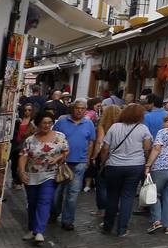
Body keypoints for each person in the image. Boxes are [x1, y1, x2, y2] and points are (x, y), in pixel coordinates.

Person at [99, 103, 153, 237]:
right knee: (128, 197)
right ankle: (122, 229)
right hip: (135, 166)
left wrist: (103, 162)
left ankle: (108, 225)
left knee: (112, 195)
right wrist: (147, 162)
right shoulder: (143, 129)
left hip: (114, 165)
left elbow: (105, 148)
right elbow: (147, 148)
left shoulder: (114, 127)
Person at [17, 114, 69, 244]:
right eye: (44, 122)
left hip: (50, 174)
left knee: (44, 201)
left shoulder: (59, 136)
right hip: (32, 175)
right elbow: (23, 156)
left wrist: (56, 159)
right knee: (32, 203)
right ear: (38, 124)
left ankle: (39, 231)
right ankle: (32, 229)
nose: (47, 125)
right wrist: (22, 172)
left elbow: (66, 151)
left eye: (49, 122)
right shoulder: (30, 140)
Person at [52, 99, 96, 231]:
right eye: (77, 108)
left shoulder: (88, 123)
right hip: (61, 162)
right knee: (57, 192)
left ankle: (67, 220)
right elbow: (53, 138)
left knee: (73, 194)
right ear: (72, 108)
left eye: (83, 108)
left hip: (79, 163)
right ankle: (54, 213)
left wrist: (87, 159)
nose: (80, 111)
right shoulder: (62, 122)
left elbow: (90, 143)